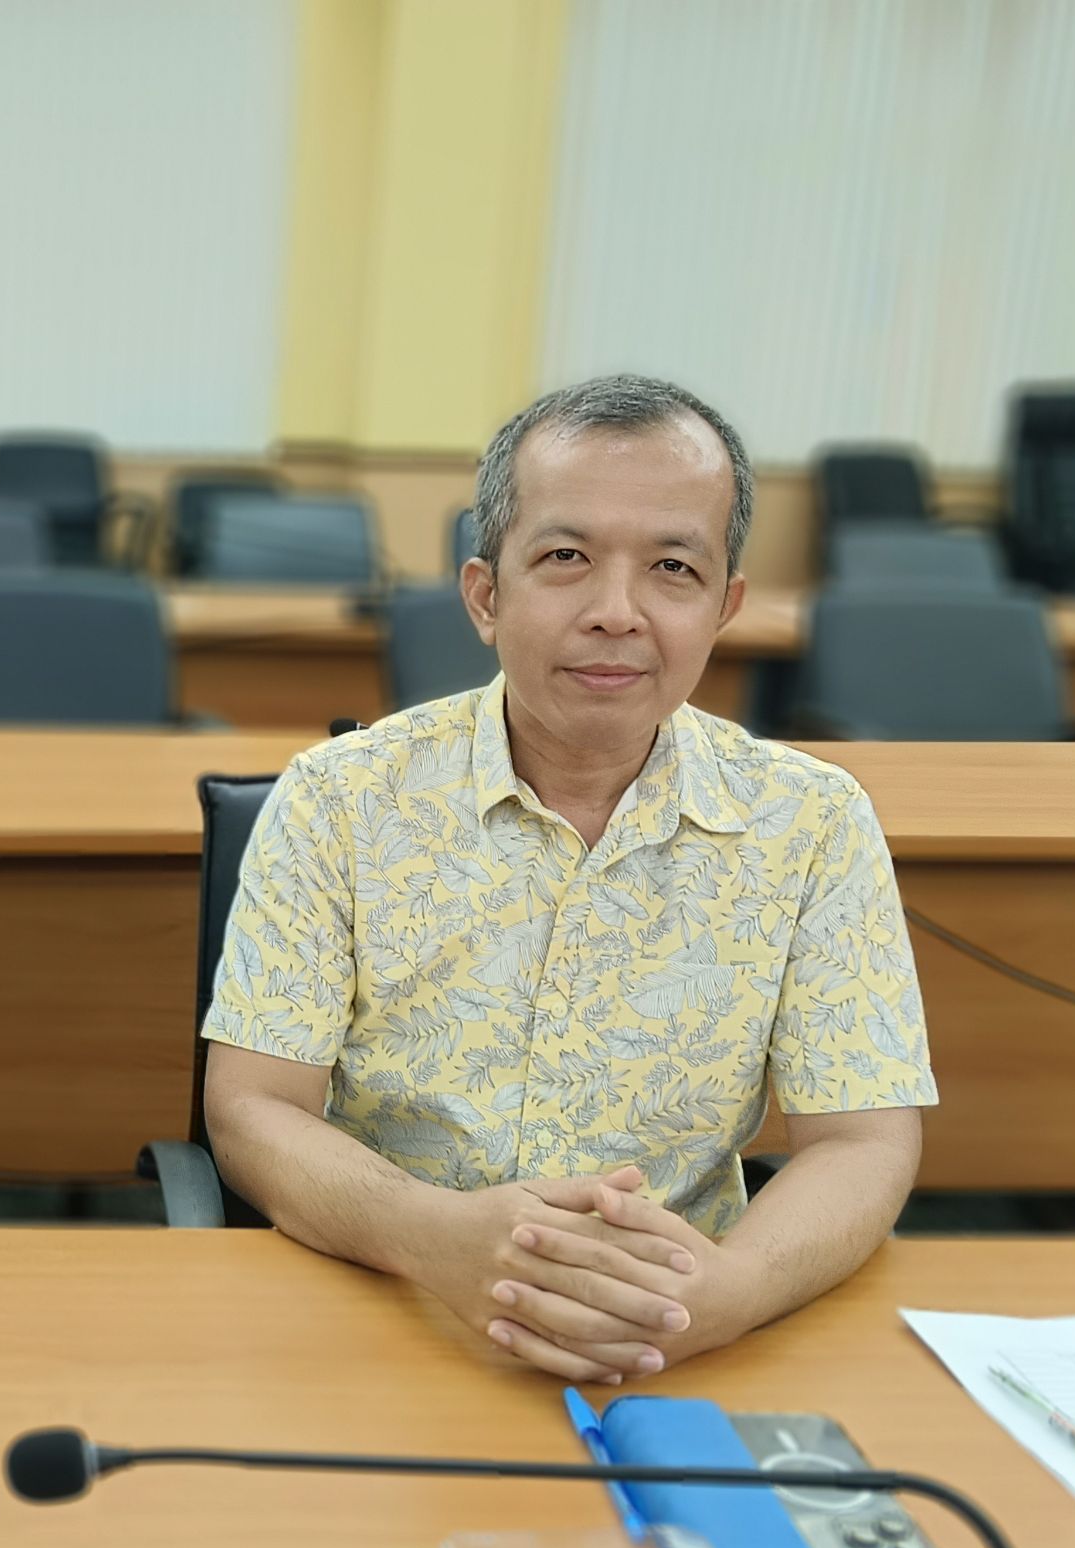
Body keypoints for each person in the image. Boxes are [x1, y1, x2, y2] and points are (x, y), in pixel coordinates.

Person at [202, 374, 935, 1384]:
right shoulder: (341, 799)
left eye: (672, 568)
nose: (615, 613)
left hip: (681, 1325)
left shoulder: (812, 821)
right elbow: (253, 1108)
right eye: (566, 559)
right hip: (394, 1302)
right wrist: (434, 1236)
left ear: (723, 607)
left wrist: (735, 1288)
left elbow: (863, 1141)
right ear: (485, 594)